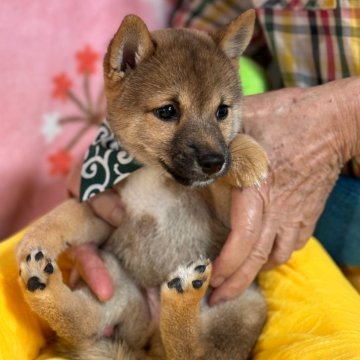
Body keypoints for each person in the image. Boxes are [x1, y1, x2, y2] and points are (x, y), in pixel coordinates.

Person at [66, 0, 360, 305]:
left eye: (222, 112)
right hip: (281, 200)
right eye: (168, 112)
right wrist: (113, 147)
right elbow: (195, 46)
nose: (210, 149)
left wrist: (345, 121)